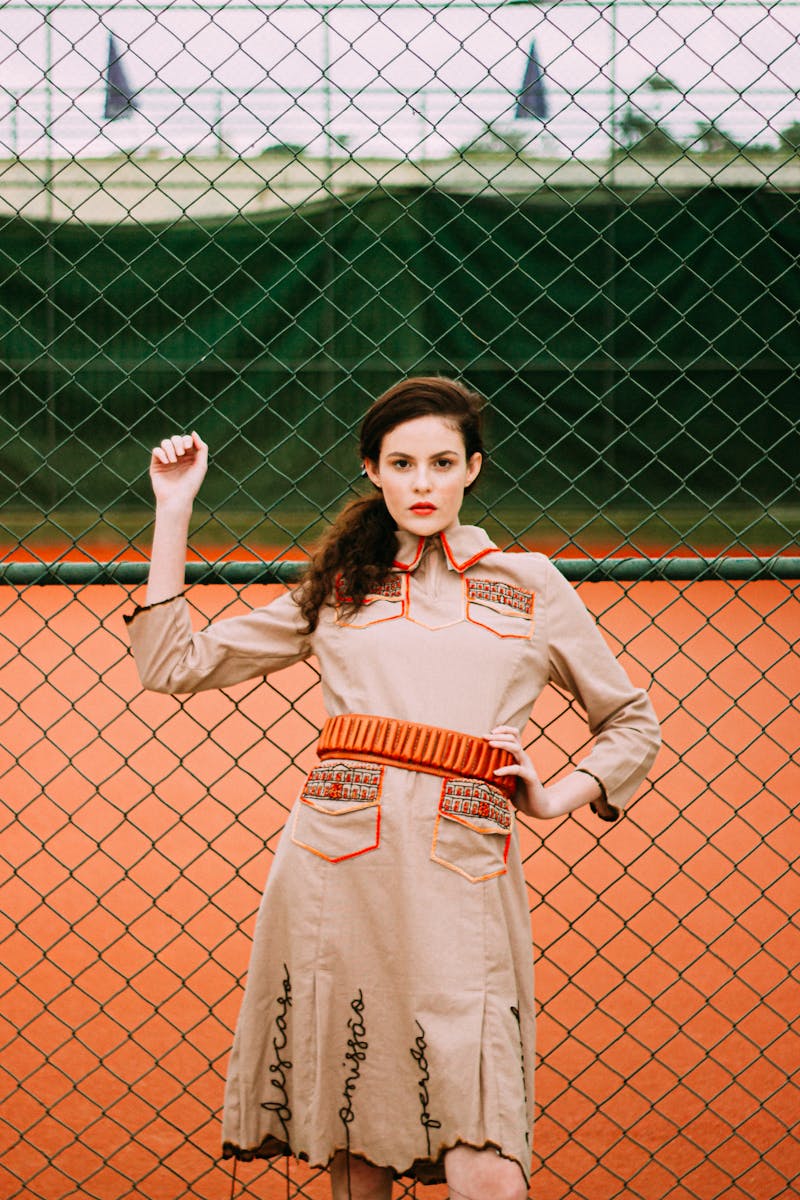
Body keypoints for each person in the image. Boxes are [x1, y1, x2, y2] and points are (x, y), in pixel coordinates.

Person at [125, 377, 660, 1200]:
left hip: (467, 876)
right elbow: (173, 665)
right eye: (401, 462)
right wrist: (173, 509)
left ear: (472, 469)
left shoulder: (530, 585)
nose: (421, 482)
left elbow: (631, 721)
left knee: (485, 1151)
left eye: (441, 462)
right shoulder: (342, 585)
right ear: (372, 471)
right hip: (339, 876)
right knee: (358, 1142)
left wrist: (556, 795)